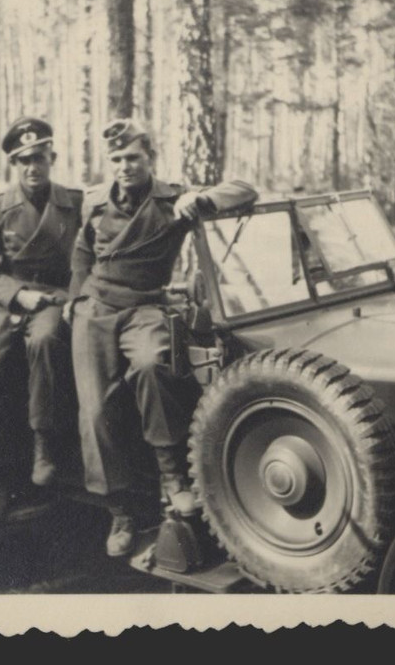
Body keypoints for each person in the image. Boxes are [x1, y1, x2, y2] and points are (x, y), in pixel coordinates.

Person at [67, 119, 258, 557]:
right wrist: (75, 300)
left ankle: (173, 477)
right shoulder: (95, 201)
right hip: (95, 310)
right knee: (94, 411)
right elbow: (82, 252)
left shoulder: (173, 200)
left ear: (149, 158)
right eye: (116, 159)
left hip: (144, 305)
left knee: (155, 365)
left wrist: (201, 198)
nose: (124, 166)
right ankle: (121, 513)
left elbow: (246, 191)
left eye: (132, 157)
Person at [0, 118, 83, 526]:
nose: (33, 167)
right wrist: (18, 294)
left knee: (47, 341)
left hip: (53, 296)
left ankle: (44, 444)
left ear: (53, 157)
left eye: (40, 158)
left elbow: (87, 261)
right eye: (24, 160)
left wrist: (68, 298)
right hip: (6, 297)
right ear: (14, 164)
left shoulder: (74, 203)